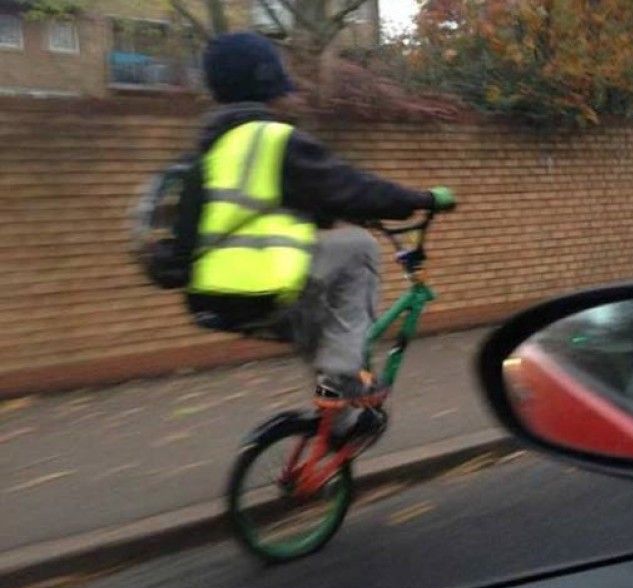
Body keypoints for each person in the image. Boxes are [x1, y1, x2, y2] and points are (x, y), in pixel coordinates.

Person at [175, 32, 455, 427]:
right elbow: (351, 187)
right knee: (359, 248)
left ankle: (333, 425)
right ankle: (346, 378)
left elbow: (280, 205)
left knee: (324, 327)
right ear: (264, 80)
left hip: (216, 296)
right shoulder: (273, 140)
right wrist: (422, 198)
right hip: (256, 287)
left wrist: (327, 217)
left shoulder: (214, 147)